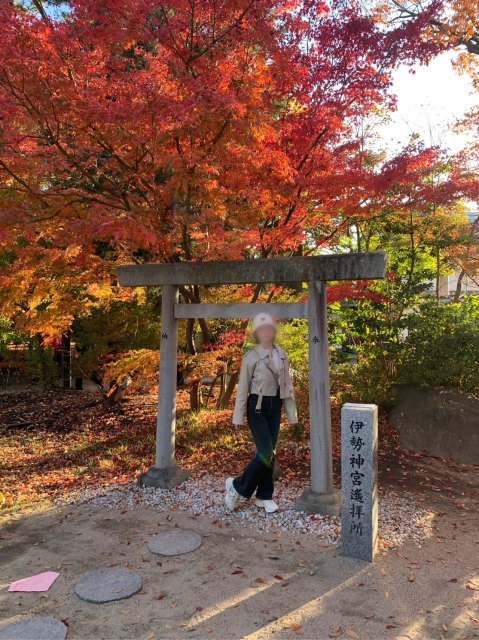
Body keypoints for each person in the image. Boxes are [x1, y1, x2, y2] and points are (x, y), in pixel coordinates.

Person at [225, 313, 298, 513]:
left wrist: (291, 414)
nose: (265, 332)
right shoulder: (251, 357)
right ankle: (238, 485)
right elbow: (242, 389)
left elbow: (287, 386)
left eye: (268, 329)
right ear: (257, 334)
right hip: (256, 406)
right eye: (261, 329)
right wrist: (237, 416)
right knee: (265, 451)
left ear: (273, 332)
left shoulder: (282, 354)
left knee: (270, 453)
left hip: (275, 406)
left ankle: (264, 496)